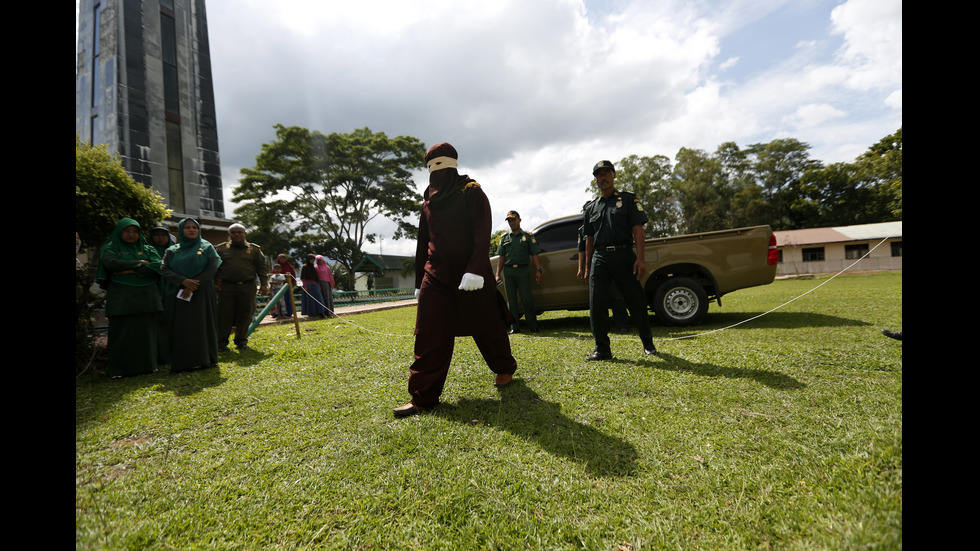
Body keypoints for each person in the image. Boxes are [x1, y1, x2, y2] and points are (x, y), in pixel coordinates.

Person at [394, 142, 518, 418]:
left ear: (452, 165)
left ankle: (505, 368)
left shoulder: (472, 193)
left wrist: (475, 268)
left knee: (487, 325)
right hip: (435, 277)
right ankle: (422, 397)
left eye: (440, 165)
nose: (435, 172)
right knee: (428, 334)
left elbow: (482, 232)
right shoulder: (428, 202)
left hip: (470, 276)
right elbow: (423, 243)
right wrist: (419, 281)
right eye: (430, 167)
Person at [582, 160, 657, 360]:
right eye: (599, 175)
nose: (603, 177)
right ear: (595, 180)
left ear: (614, 175)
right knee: (596, 303)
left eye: (606, 173)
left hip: (624, 255)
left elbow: (638, 230)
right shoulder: (591, 208)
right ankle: (602, 349)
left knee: (635, 300)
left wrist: (640, 259)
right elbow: (589, 239)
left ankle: (648, 343)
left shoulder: (628, 200)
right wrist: (588, 265)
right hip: (600, 257)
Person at [95, 218, 164, 378]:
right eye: (127, 231)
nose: (131, 234)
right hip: (122, 298)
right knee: (121, 333)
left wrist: (129, 270)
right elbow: (111, 263)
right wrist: (140, 263)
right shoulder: (110, 247)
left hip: (147, 298)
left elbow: (158, 266)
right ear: (120, 231)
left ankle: (148, 366)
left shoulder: (147, 247)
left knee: (146, 333)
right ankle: (119, 370)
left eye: (135, 231)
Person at [160, 218, 222, 372]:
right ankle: (183, 361)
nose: (191, 230)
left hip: (202, 293)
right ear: (181, 230)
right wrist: (183, 281)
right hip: (177, 292)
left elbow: (212, 268)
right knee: (181, 326)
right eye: (187, 228)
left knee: (203, 324)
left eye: (194, 227)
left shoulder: (207, 247)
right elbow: (164, 268)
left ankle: (206, 359)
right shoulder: (172, 250)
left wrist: (194, 284)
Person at [215, 223, 269, 351]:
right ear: (229, 234)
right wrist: (216, 282)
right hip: (226, 287)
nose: (237, 234)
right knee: (224, 315)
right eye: (233, 232)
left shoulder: (254, 249)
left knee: (245, 314)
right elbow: (215, 267)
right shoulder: (221, 249)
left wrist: (264, 284)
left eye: (239, 232)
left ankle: (241, 341)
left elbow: (261, 268)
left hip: (248, 286)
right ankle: (221, 343)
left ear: (245, 234)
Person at [577, 216, 630, 333]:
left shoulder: (607, 224)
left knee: (616, 294)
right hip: (595, 264)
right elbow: (581, 249)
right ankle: (603, 326)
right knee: (598, 297)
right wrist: (583, 268)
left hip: (610, 261)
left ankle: (622, 324)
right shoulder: (582, 230)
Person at [494, 210, 542, 333]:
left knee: (527, 298)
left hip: (523, 270)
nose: (512, 222)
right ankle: (514, 327)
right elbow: (501, 257)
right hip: (509, 271)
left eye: (514, 220)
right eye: (509, 220)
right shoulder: (504, 238)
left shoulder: (527, 236)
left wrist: (538, 270)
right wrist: (498, 274)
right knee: (511, 300)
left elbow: (535, 253)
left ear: (519, 220)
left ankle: (532, 325)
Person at [149, 223, 175, 364]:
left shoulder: (174, 251)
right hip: (153, 292)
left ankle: (170, 354)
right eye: (157, 234)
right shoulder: (146, 250)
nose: (160, 238)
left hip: (172, 291)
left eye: (163, 235)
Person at [299, 254, 327, 318]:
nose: (312, 261)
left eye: (313, 260)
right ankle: (311, 313)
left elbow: (316, 277)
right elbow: (303, 277)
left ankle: (320, 312)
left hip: (315, 284)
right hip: (308, 285)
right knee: (310, 299)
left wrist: (318, 285)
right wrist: (305, 285)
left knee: (319, 298)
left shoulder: (313, 267)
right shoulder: (305, 267)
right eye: (311, 259)